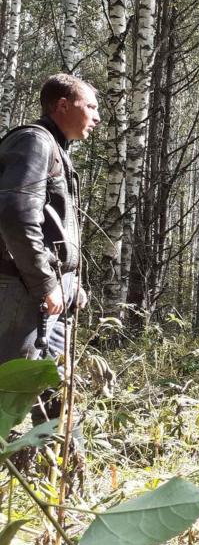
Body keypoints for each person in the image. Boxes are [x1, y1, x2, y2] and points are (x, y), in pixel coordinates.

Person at [0, 74, 99, 419]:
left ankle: (56, 466)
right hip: (25, 288)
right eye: (90, 106)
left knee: (57, 387)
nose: (96, 117)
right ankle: (12, 463)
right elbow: (15, 215)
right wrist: (46, 283)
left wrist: (72, 284)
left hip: (53, 289)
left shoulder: (57, 150)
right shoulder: (34, 142)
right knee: (13, 392)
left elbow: (51, 228)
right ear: (62, 105)